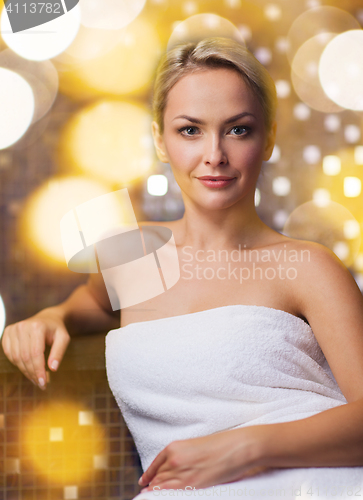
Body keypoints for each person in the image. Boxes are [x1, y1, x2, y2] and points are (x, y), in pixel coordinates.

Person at [2, 37, 363, 498]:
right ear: (160, 139)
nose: (214, 154)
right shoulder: (133, 255)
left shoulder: (306, 266)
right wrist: (54, 317)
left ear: (269, 137)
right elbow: (91, 303)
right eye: (190, 130)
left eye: (238, 130)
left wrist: (242, 448)